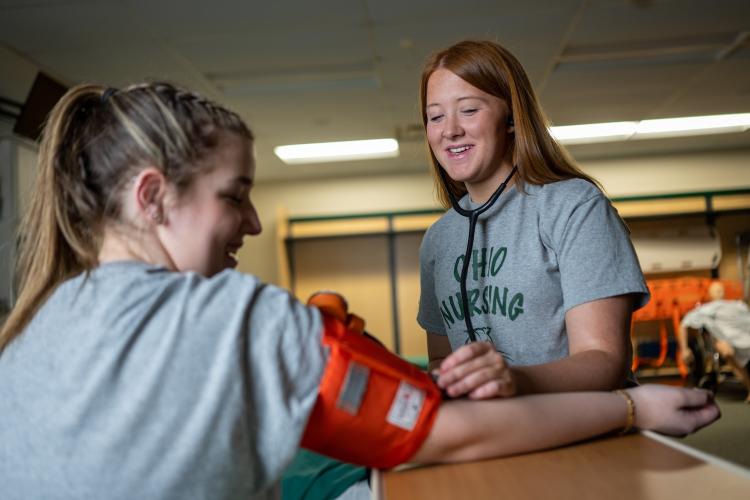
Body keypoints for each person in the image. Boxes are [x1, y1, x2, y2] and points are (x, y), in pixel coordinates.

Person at [0, 82, 719, 500]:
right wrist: (631, 405)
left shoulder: (24, 337)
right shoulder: (234, 315)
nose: (251, 221)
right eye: (236, 195)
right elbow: (442, 433)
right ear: (154, 197)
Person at [417, 40, 648, 399]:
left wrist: (513, 382)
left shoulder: (573, 206)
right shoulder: (438, 239)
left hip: (588, 432)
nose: (450, 130)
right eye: (435, 116)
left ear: (511, 117)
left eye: (468, 110)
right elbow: (440, 359)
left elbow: (604, 359)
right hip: (497, 434)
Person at [678, 281, 750, 402]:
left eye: (721, 289)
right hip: (726, 342)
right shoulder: (705, 309)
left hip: (745, 336)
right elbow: (684, 324)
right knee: (727, 351)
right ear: (710, 294)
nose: (719, 292)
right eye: (716, 290)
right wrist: (684, 349)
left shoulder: (737, 305)